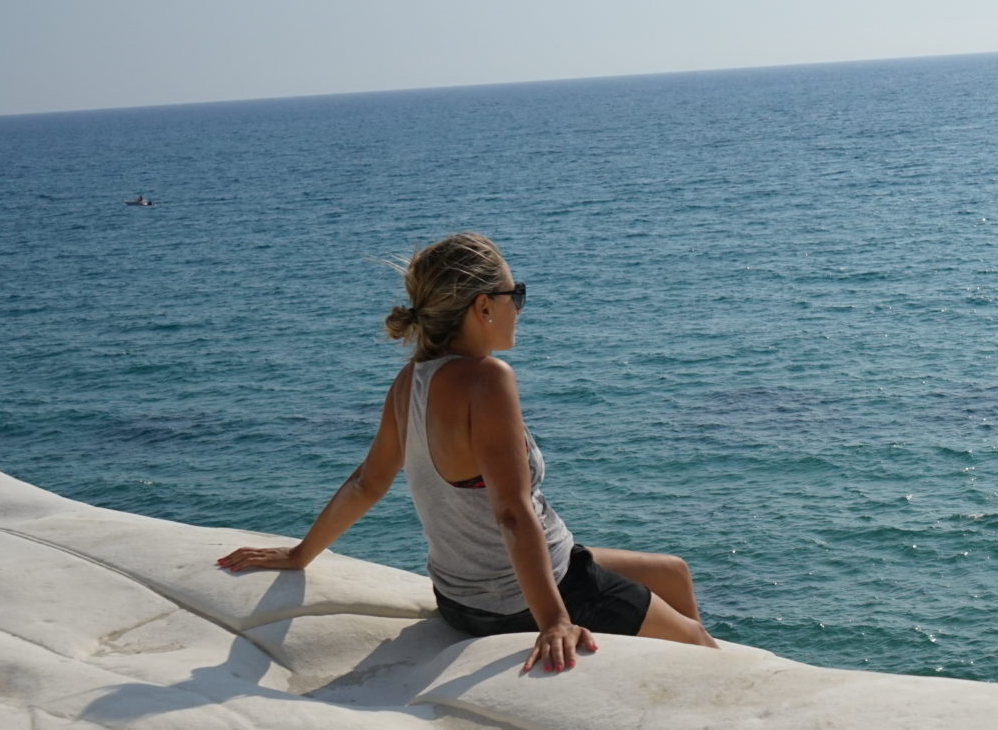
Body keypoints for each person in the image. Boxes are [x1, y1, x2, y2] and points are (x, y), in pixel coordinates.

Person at [215, 232, 715, 673]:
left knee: (672, 571)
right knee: (700, 645)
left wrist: (302, 553)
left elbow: (368, 481)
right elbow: (512, 513)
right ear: (482, 307)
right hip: (535, 594)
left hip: (459, 600)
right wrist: (556, 619)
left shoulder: (410, 382)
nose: (519, 306)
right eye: (514, 294)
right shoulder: (488, 379)